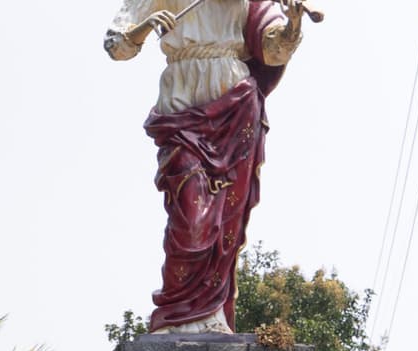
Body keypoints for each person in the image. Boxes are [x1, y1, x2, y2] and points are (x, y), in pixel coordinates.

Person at [106, 2, 311, 332]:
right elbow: (116, 45)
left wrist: (293, 25)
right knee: (191, 217)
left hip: (235, 103)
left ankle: (210, 315)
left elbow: (274, 51)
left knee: (225, 222)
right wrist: (143, 29)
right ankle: (176, 313)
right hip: (182, 100)